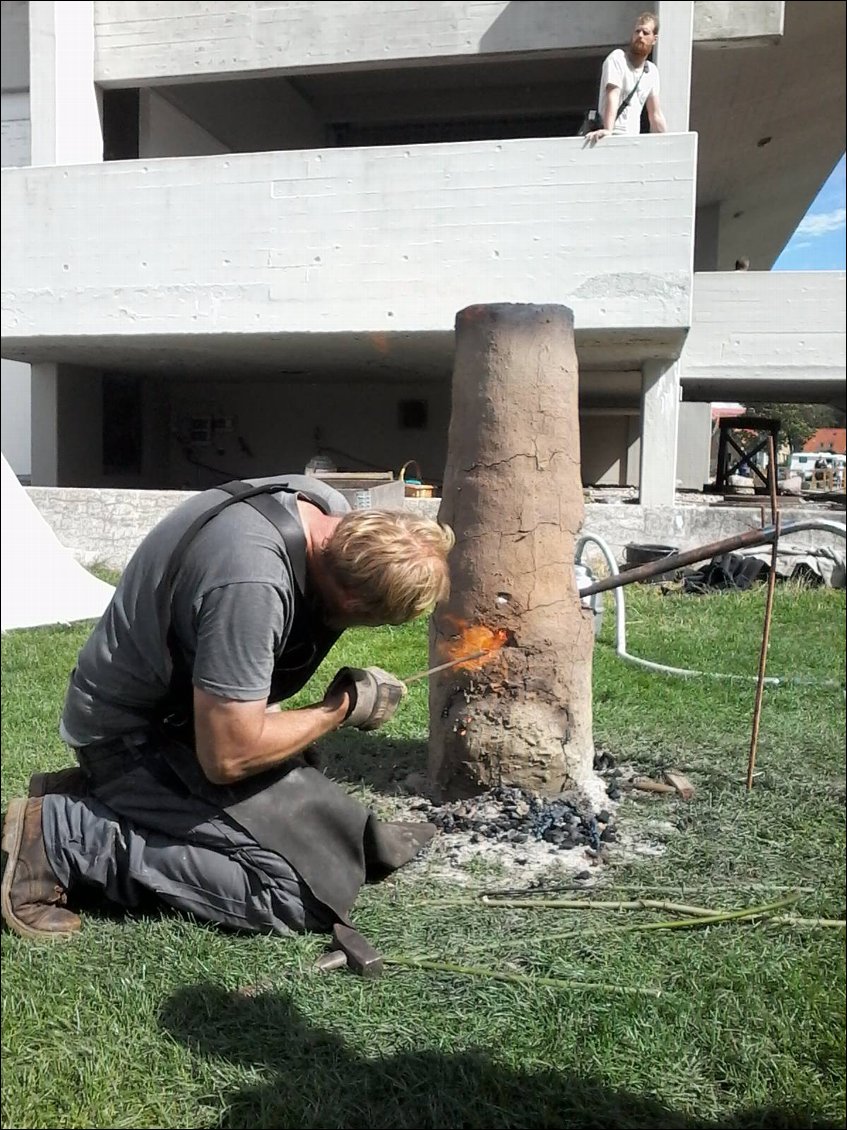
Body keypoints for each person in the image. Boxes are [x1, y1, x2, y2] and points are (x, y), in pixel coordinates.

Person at [1, 474, 455, 941]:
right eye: (367, 620)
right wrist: (338, 709)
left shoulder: (323, 509)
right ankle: (62, 837)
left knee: (319, 828)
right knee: (292, 895)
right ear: (352, 599)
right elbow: (228, 758)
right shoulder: (251, 581)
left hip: (182, 722)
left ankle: (93, 795)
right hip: (133, 737)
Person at [585, 12, 666, 143]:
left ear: (654, 39)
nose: (640, 36)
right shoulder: (618, 58)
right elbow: (613, 95)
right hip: (612, 135)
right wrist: (608, 131)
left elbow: (655, 113)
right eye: (637, 31)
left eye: (645, 33)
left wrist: (666, 142)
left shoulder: (651, 71)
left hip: (632, 138)